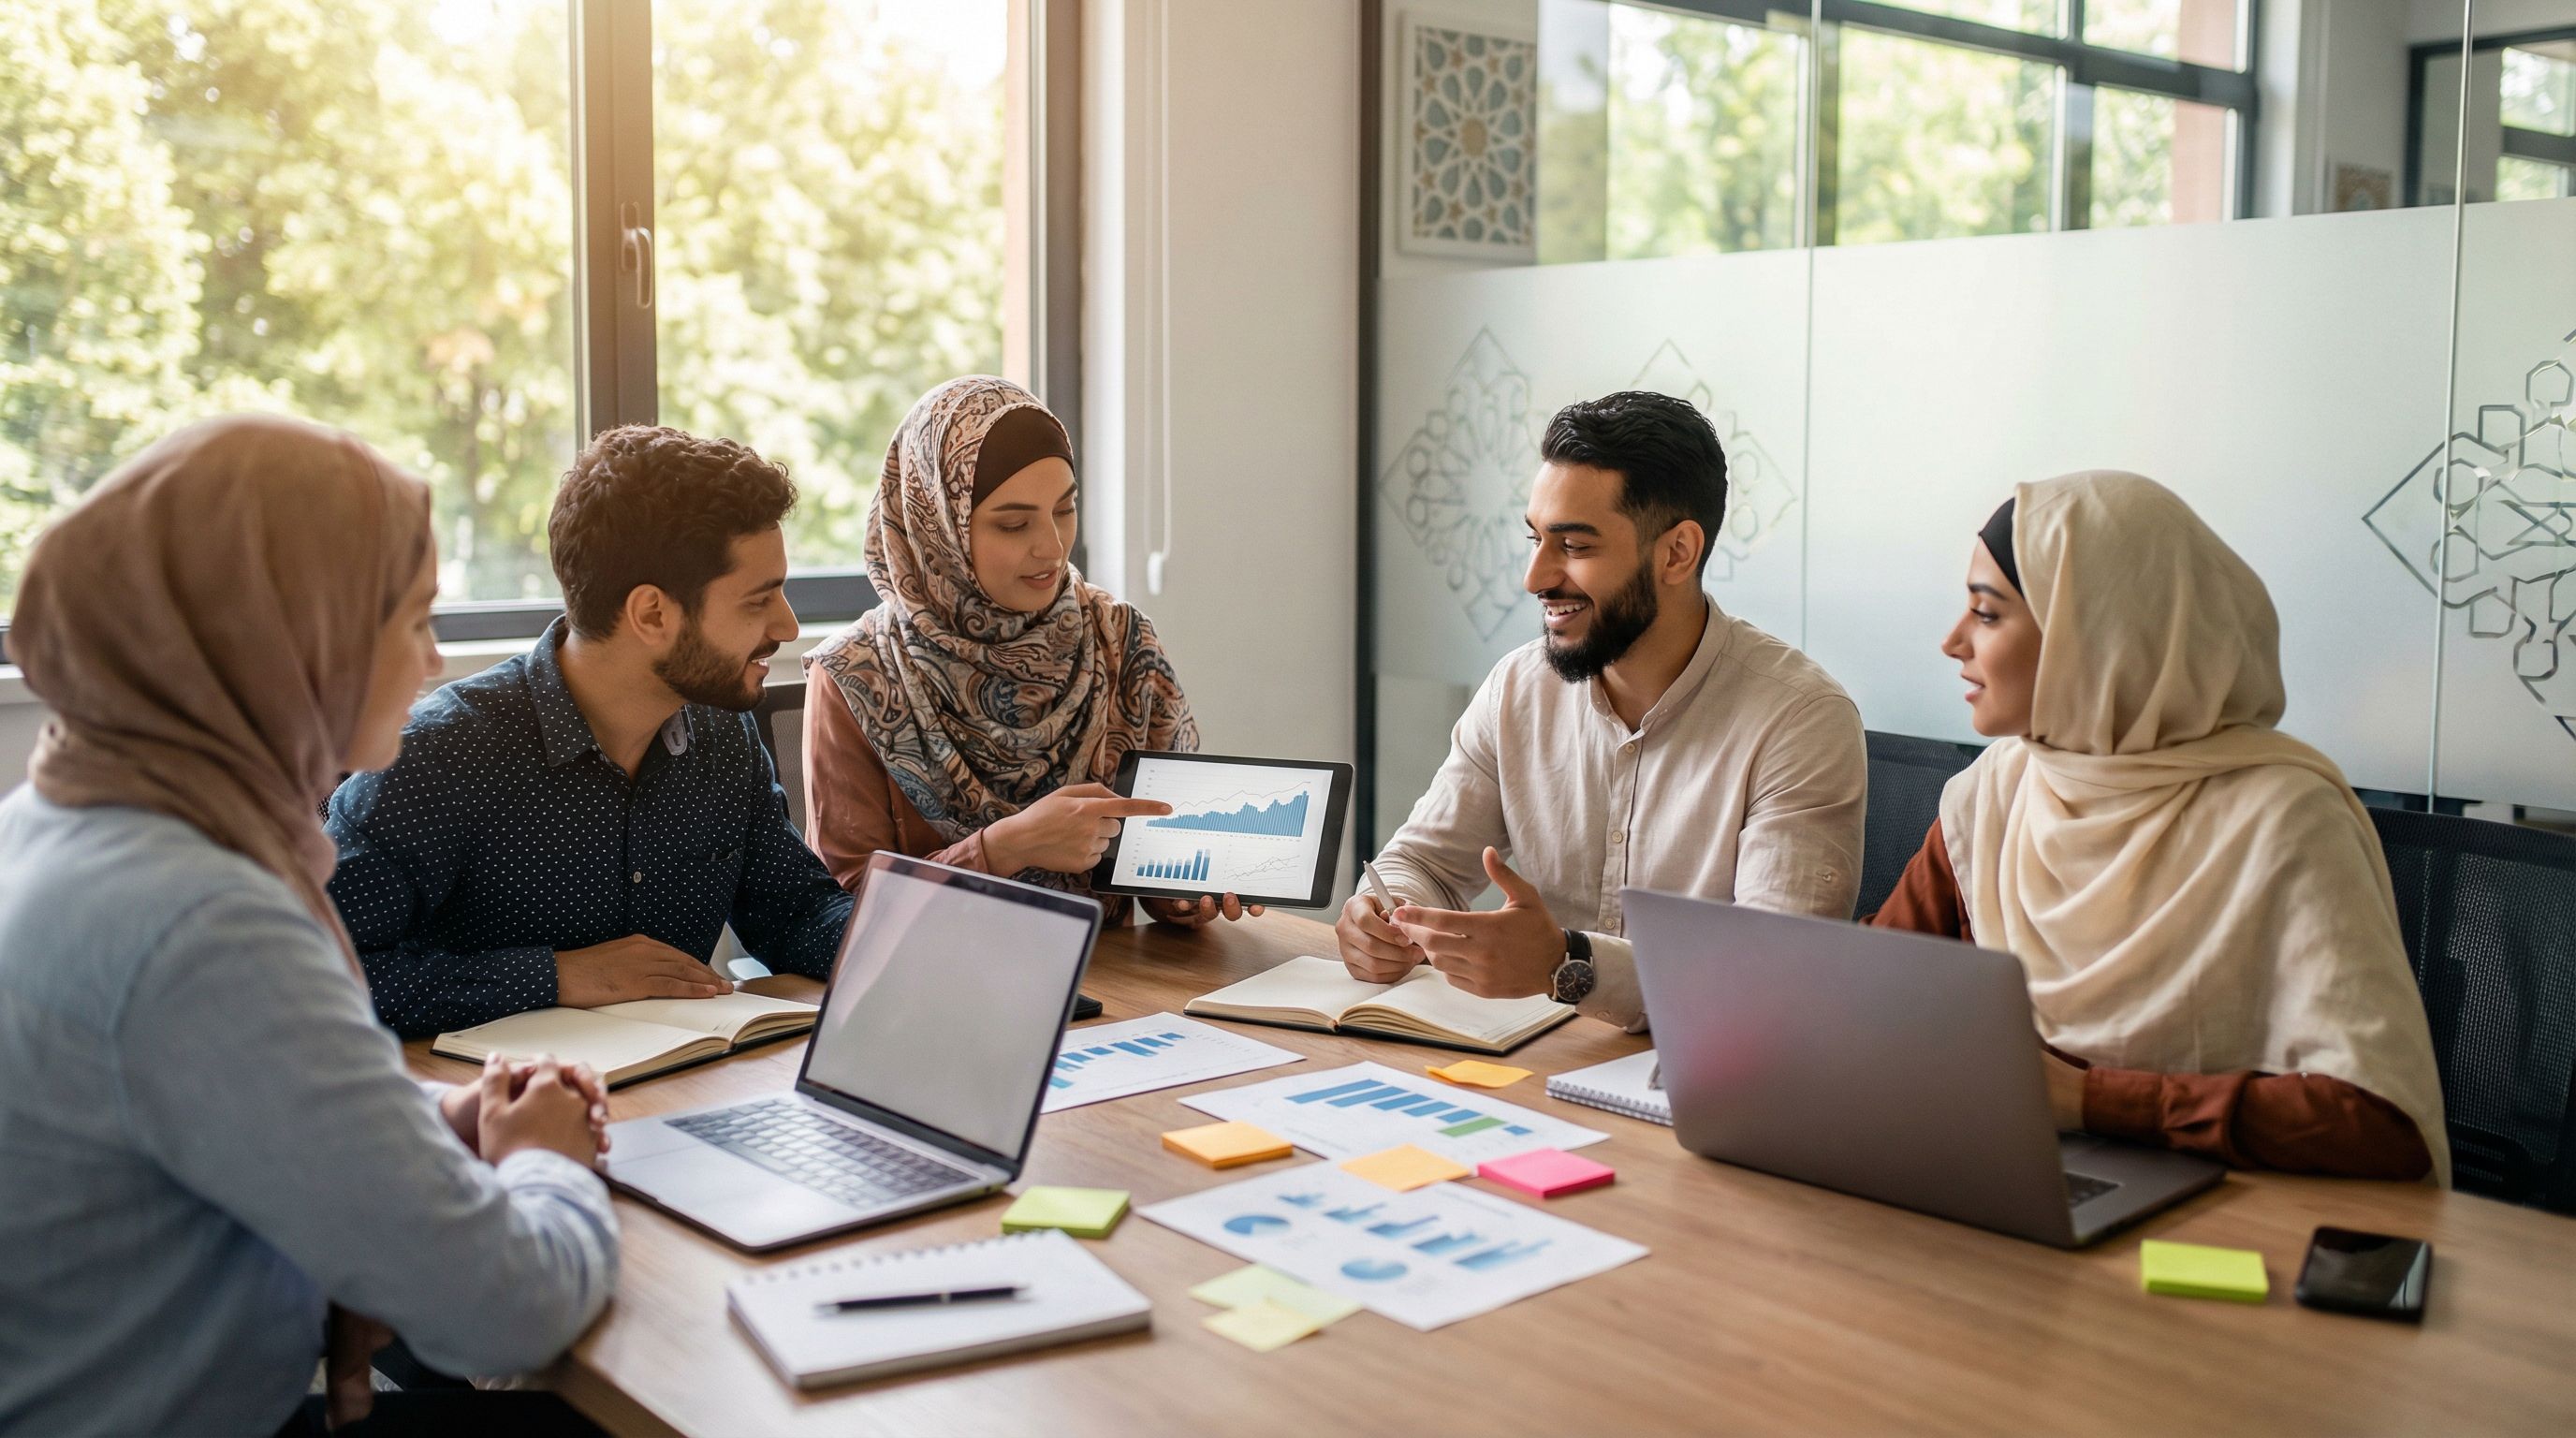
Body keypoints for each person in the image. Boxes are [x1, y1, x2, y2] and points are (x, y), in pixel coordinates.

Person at [0, 416, 618, 1437]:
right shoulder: (204, 922)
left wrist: (435, 1126)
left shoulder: (60, 818)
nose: (430, 663)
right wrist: (544, 1158)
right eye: (414, 621)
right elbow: (504, 1312)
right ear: (296, 634)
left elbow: (216, 1110)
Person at [1870, 471, 2449, 1182]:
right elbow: (1868, 995)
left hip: (2234, 1213)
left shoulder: (2283, 817)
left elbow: (2378, 1123)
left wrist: (2089, 1099)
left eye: (1987, 615)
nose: (1952, 641)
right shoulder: (1995, 794)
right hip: (2025, 1181)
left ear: (2097, 637)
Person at [1340, 390, 1866, 1028]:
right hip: (1528, 1061)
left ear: (1677, 552)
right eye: (1536, 539)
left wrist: (1570, 964)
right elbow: (1420, 863)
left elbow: (1776, 978)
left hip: (1698, 1083)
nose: (1536, 577)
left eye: (1575, 547)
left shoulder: (1800, 718)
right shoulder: (1517, 688)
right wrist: (1381, 915)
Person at [326, 426, 855, 1039]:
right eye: (758, 600)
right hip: (483, 1118)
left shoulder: (721, 735)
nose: (788, 627)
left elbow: (798, 914)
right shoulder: (438, 756)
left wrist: (935, 941)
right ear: (653, 614)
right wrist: (553, 976)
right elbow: (321, 975)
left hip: (673, 1092)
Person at [802, 375, 1256, 926]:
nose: (1052, 546)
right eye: (1014, 523)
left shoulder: (1120, 639)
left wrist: (1192, 892)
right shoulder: (857, 676)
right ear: (937, 526)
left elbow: (1161, 867)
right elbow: (840, 912)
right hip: (932, 986)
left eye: (1064, 510)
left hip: (1110, 987)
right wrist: (1007, 847)